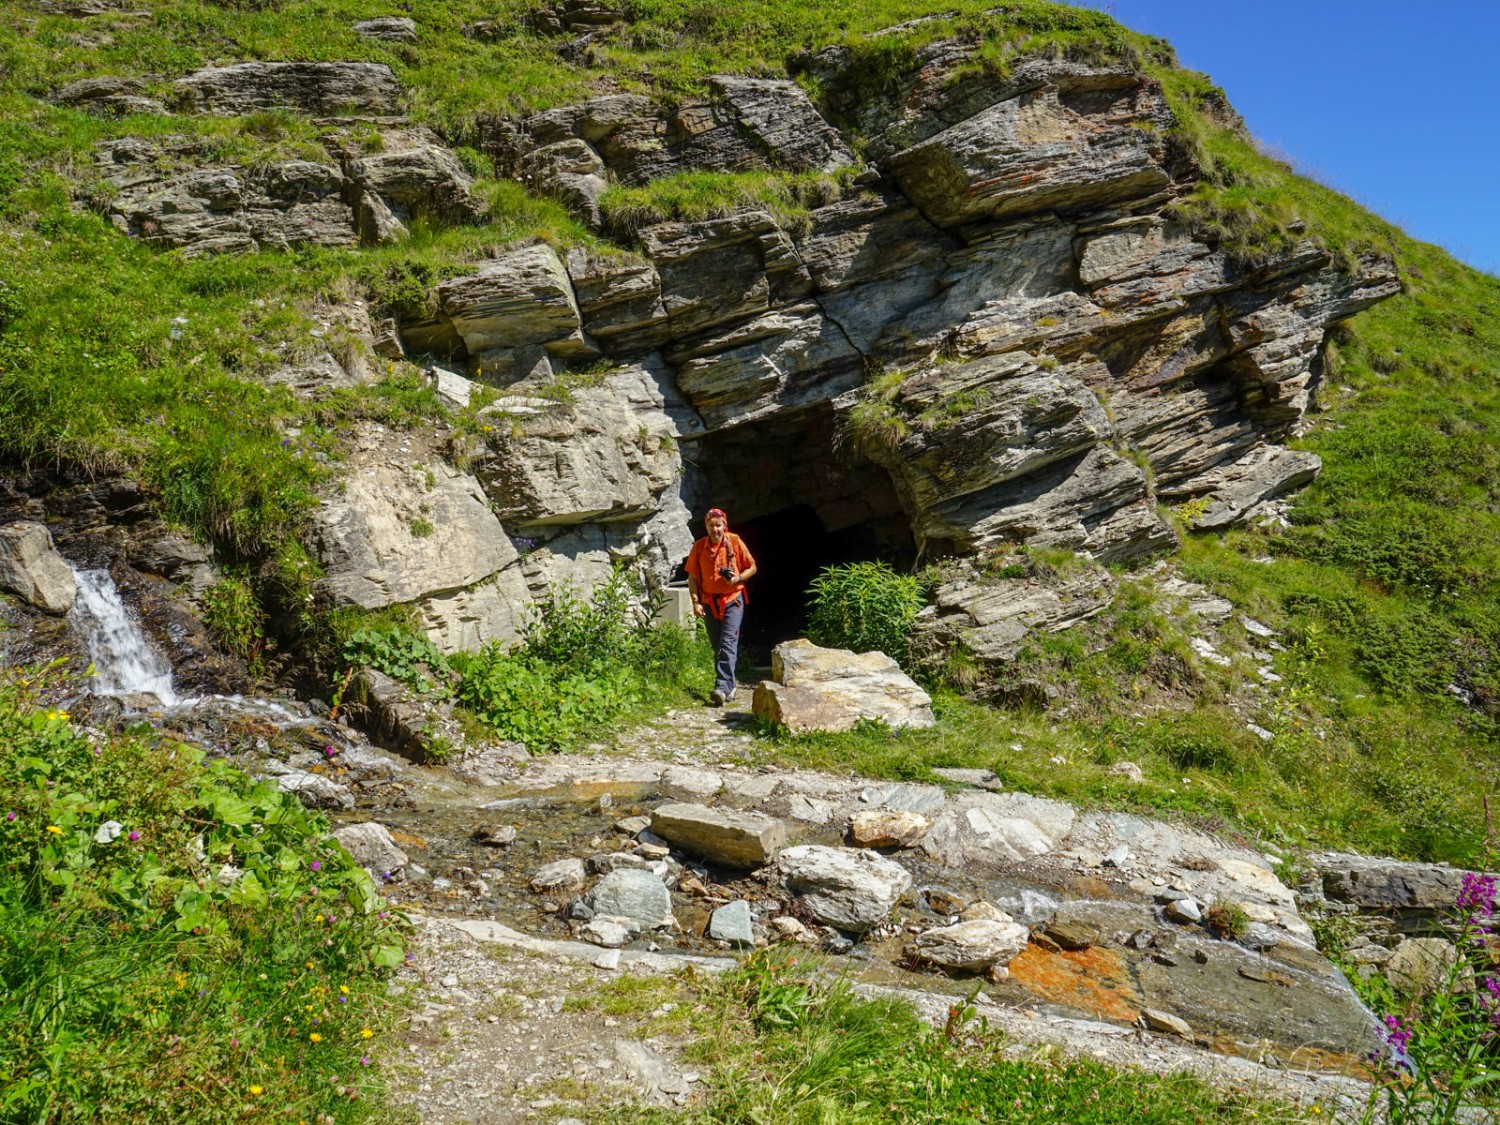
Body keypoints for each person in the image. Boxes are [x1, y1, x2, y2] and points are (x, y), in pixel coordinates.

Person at [685, 508, 757, 706]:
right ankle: (730, 685)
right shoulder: (699, 547)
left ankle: (721, 687)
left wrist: (737, 578)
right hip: (709, 602)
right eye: (711, 525)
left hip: (733, 599)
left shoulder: (734, 542)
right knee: (717, 646)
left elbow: (752, 566)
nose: (715, 529)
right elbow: (692, 577)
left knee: (727, 644)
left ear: (724, 525)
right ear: (706, 526)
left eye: (718, 525)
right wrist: (695, 602)